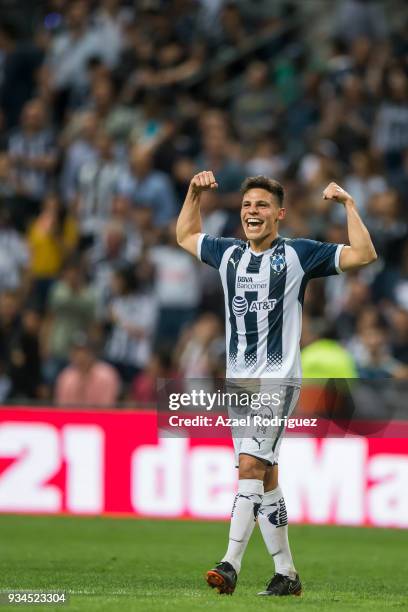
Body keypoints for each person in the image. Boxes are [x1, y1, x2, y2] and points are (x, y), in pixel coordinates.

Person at [176, 171, 377, 597]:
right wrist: (193, 193)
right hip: (239, 384)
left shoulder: (299, 255)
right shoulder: (227, 253)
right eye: (248, 205)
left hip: (277, 380)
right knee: (264, 477)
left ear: (279, 214)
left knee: (249, 466)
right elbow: (185, 234)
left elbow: (363, 253)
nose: (253, 211)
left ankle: (229, 563)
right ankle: (286, 574)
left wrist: (349, 206)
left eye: (262, 205)